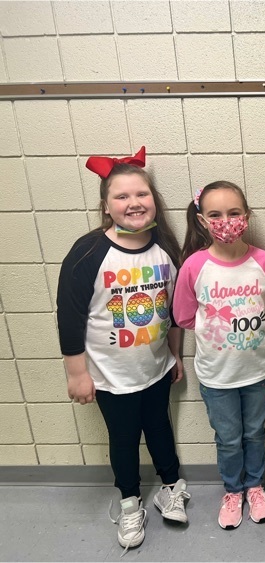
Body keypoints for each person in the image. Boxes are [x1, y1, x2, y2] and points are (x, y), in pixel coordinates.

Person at [56, 147, 190, 554]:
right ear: (106, 205)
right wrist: (77, 374)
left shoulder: (166, 249)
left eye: (141, 194)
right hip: (110, 378)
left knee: (161, 428)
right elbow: (70, 318)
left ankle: (171, 487)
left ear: (154, 200)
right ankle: (130, 502)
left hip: (156, 367)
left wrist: (175, 355)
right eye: (122, 196)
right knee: (124, 438)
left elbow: (173, 312)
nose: (134, 202)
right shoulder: (88, 252)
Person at [173, 181, 265, 530]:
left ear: (247, 216)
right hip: (216, 375)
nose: (226, 221)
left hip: (258, 372)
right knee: (227, 439)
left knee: (254, 433)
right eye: (215, 215)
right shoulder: (194, 266)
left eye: (234, 212)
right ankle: (233, 490)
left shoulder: (264, 262)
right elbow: (184, 317)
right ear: (202, 220)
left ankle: (254, 485)